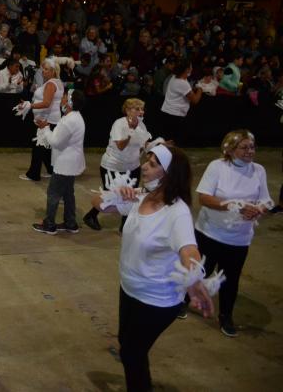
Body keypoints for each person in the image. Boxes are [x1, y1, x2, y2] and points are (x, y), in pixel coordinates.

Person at [91, 144, 215, 392]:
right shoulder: (141, 196)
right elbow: (97, 204)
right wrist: (115, 193)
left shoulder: (177, 212)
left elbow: (189, 250)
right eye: (146, 161)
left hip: (157, 299)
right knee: (127, 345)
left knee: (133, 354)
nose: (144, 166)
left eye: (153, 164)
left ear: (168, 174)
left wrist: (194, 281)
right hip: (129, 288)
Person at [191, 130, 272, 336]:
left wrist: (258, 210)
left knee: (230, 279)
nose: (250, 151)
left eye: (252, 147)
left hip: (239, 238)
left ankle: (226, 315)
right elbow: (204, 198)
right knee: (201, 271)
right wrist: (234, 205)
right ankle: (182, 301)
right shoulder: (217, 167)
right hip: (210, 233)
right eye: (244, 147)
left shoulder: (259, 170)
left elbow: (266, 200)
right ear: (230, 149)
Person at [84, 98, 151, 231]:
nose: (140, 112)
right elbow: (120, 146)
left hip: (133, 166)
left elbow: (145, 144)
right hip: (112, 167)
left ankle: (125, 225)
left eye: (141, 109)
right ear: (127, 110)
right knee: (111, 196)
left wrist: (155, 146)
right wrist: (131, 132)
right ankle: (90, 216)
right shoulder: (119, 124)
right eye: (137, 109)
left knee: (131, 196)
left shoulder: (142, 125)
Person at [32, 89, 87, 235]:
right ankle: (70, 223)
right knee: (69, 193)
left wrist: (45, 128)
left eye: (64, 98)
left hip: (65, 164)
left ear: (70, 102)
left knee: (53, 193)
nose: (61, 100)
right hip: (71, 162)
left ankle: (49, 224)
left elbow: (55, 142)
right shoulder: (75, 117)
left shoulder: (69, 120)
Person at [19, 58, 64, 181]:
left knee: (38, 147)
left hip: (46, 120)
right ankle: (51, 170)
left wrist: (30, 105)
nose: (43, 71)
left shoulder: (50, 84)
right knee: (45, 148)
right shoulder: (57, 82)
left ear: (53, 71)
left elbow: (46, 103)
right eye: (43, 69)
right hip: (50, 119)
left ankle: (33, 174)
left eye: (46, 69)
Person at [158, 59, 202, 146]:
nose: (192, 69)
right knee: (173, 143)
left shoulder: (174, 77)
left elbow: (186, 92)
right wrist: (200, 88)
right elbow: (195, 100)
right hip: (175, 116)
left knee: (169, 141)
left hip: (168, 113)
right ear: (186, 69)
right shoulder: (182, 83)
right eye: (190, 67)